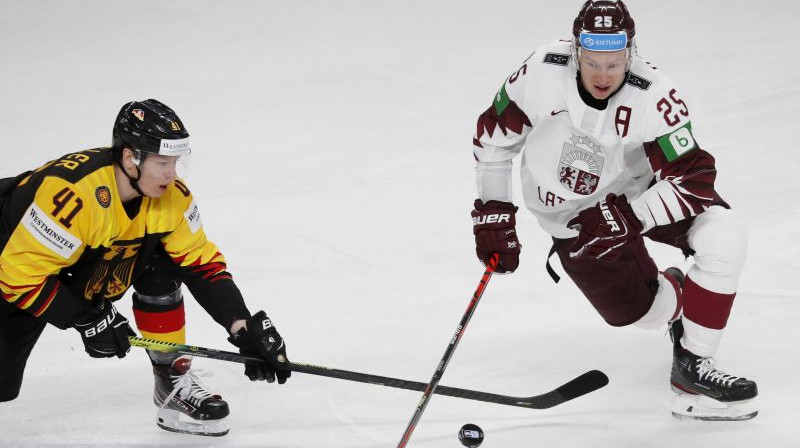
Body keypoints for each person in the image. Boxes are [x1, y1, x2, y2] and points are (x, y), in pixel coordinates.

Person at [469, 0, 757, 421]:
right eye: (592, 62)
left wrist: (629, 217)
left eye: (614, 63)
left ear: (631, 53)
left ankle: (693, 368)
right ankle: (675, 300)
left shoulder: (654, 94)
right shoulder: (540, 73)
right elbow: (493, 138)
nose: (603, 76)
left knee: (724, 235)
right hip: (572, 218)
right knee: (638, 314)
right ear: (575, 54)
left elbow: (694, 178)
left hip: (639, 193)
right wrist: (494, 212)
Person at [0, 99, 291, 436]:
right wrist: (86, 319)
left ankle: (170, 380)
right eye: (162, 162)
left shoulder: (171, 197)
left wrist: (242, 326)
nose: (172, 173)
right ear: (129, 158)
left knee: (159, 257)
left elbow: (201, 264)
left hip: (66, 262)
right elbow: (18, 275)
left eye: (176, 162)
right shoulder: (73, 195)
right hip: (9, 258)